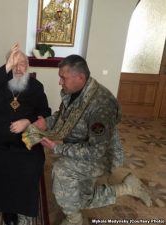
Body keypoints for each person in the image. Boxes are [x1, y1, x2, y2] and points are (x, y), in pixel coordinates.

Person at [23, 55, 152, 225]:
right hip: (79, 147)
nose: (60, 82)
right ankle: (127, 187)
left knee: (61, 171)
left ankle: (74, 219)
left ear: (80, 77)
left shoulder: (101, 106)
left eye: (63, 77)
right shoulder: (75, 92)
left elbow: (96, 151)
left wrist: (57, 148)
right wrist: (45, 123)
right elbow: (62, 116)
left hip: (102, 156)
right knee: (79, 198)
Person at [0, 43, 51, 225]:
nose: (19, 68)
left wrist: (28, 121)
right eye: (14, 64)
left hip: (23, 142)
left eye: (22, 63)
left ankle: (20, 207)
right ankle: (7, 209)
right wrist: (7, 66)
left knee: (30, 163)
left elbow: (46, 112)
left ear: (28, 66)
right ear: (8, 65)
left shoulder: (35, 87)